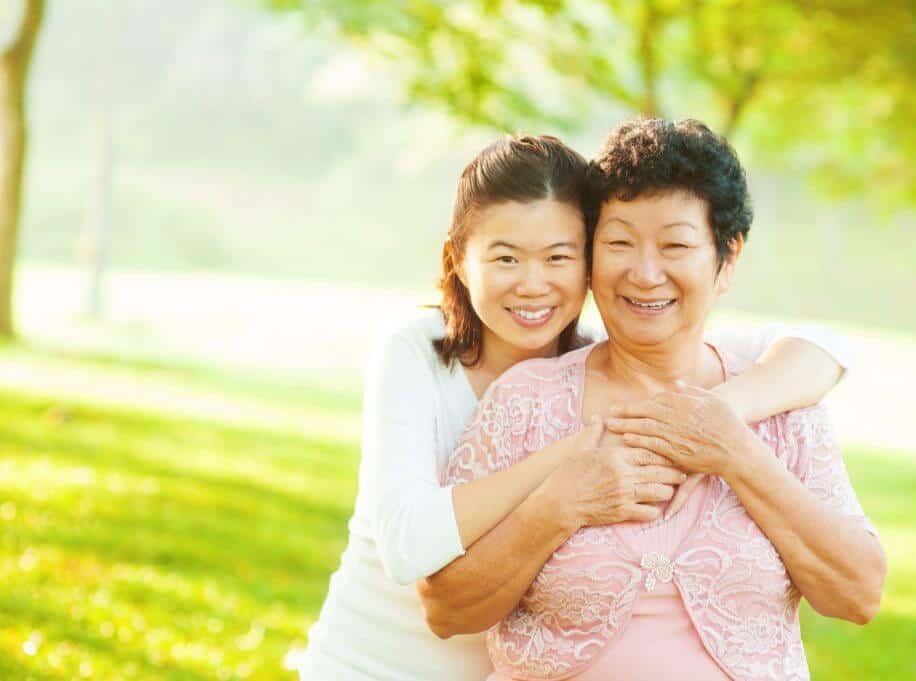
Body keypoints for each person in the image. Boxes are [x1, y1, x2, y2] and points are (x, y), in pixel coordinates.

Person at [300, 134, 855, 681]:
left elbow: (823, 350)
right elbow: (408, 546)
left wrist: (713, 419)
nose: (533, 284)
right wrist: (574, 462)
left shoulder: (602, 351)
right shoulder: (419, 352)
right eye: (506, 257)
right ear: (459, 260)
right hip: (373, 664)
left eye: (558, 256)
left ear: (586, 261)